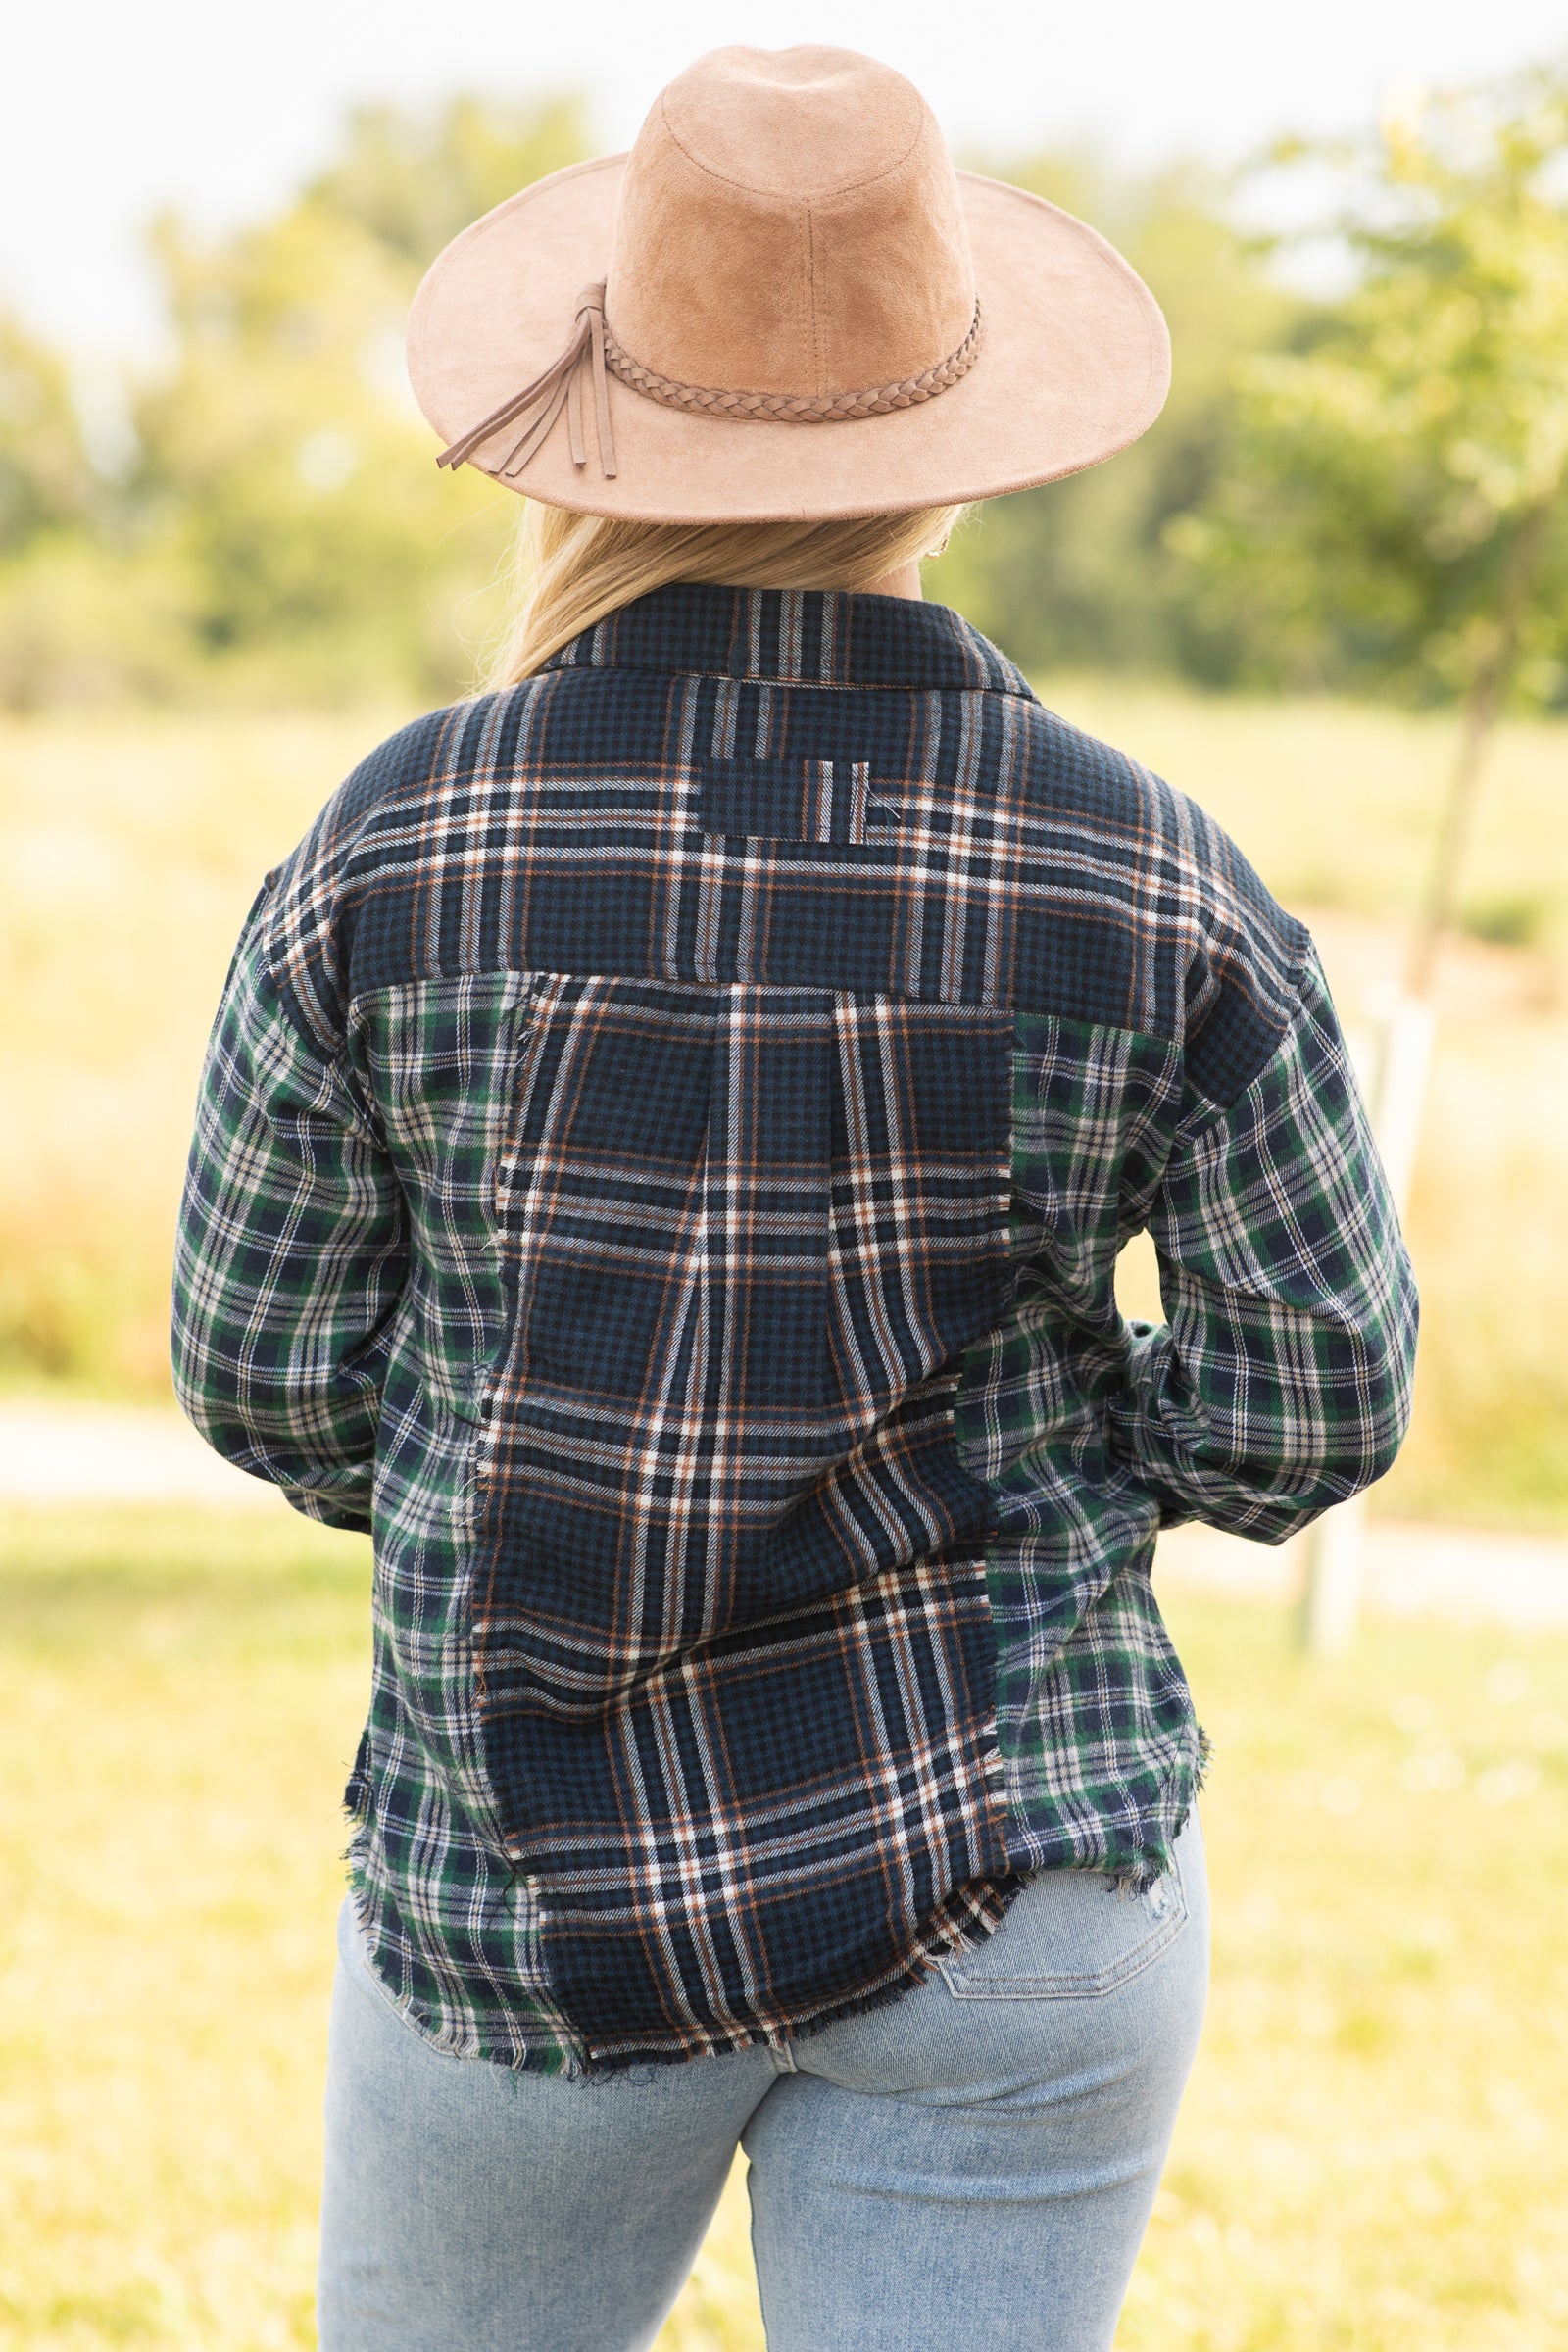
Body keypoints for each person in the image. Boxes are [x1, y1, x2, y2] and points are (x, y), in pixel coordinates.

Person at [172, 45, 1418, 2352]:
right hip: (1011, 1864)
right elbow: (1303, 1410)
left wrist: (499, 1458)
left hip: (520, 1889)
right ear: (948, 451)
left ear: (596, 430)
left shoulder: (392, 846)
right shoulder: (1147, 871)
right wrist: (1044, 1457)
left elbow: (263, 1373)